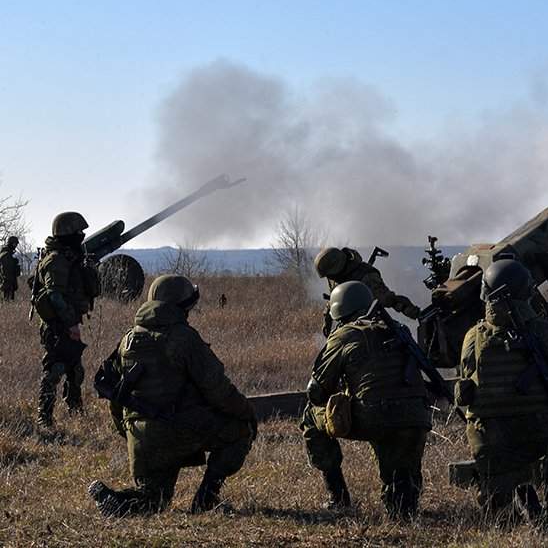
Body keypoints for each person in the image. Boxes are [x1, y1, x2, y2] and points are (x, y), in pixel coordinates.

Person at [87, 274, 257, 516]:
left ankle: (118, 501)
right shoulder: (184, 338)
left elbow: (116, 397)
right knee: (240, 431)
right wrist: (246, 412)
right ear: (182, 306)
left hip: (140, 436)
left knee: (153, 501)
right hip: (180, 427)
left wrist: (129, 433)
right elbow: (217, 389)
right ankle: (206, 500)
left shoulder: (127, 340)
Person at [455, 259, 548, 524]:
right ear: (526, 291)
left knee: (499, 512)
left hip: (491, 439)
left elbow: (466, 388)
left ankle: (509, 501)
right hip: (540, 431)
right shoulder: (547, 333)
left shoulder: (473, 337)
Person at [299, 281, 431, 518]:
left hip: (376, 416)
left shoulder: (345, 335)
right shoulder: (398, 329)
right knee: (402, 476)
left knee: (311, 416)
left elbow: (315, 393)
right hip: (417, 415)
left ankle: (338, 497)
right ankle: (405, 498)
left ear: (339, 311)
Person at [31, 212, 99, 426]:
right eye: (77, 232)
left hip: (68, 321)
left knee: (75, 370)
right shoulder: (56, 260)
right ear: (66, 233)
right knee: (55, 369)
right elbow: (54, 295)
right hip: (57, 325)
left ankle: (75, 410)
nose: (81, 235)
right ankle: (45, 417)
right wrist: (71, 324)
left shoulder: (69, 256)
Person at [314, 246, 421, 336]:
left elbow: (388, 300)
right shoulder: (338, 277)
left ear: (337, 267)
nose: (330, 278)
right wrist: (328, 323)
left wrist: (413, 313)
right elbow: (334, 299)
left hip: (370, 327)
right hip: (349, 327)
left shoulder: (367, 277)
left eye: (330, 275)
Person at [0, 236, 20, 300]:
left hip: (8, 284)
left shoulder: (8, 254)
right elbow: (6, 272)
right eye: (15, 244)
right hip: (6, 285)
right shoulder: (6, 255)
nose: (15, 246)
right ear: (11, 243)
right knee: (7, 302)